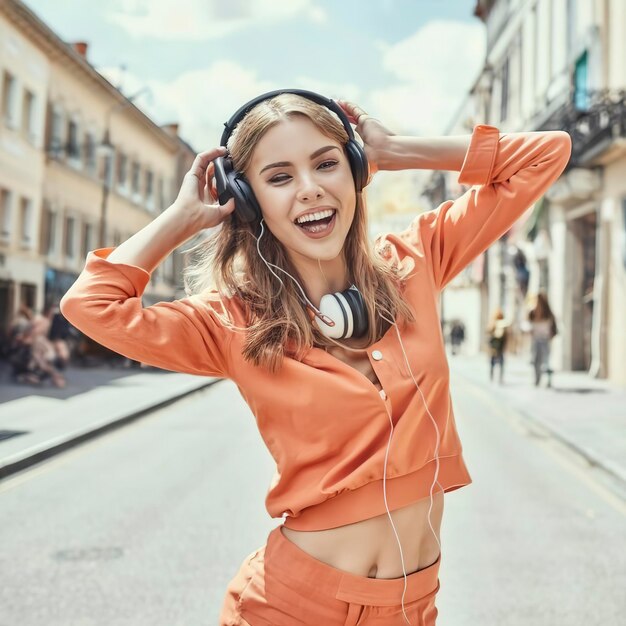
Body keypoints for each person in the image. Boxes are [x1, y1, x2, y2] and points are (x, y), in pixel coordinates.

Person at [59, 89, 572, 625]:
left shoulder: (413, 263)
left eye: (327, 163)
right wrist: (184, 218)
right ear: (249, 199)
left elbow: (547, 154)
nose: (309, 189)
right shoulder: (231, 321)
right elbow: (91, 306)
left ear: (354, 170)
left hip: (414, 605)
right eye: (278, 177)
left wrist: (395, 150)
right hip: (294, 607)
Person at [528, 291, 558, 387]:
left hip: (543, 339)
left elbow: (553, 327)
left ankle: (544, 380)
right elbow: (528, 324)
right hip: (538, 339)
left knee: (544, 361)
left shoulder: (547, 313)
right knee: (539, 361)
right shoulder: (532, 312)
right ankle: (539, 380)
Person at [486, 308, 509, 384]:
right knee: (493, 362)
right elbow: (488, 333)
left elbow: (506, 337)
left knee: (500, 362)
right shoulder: (493, 323)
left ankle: (499, 378)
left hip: (500, 346)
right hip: (494, 345)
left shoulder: (503, 324)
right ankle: (492, 377)